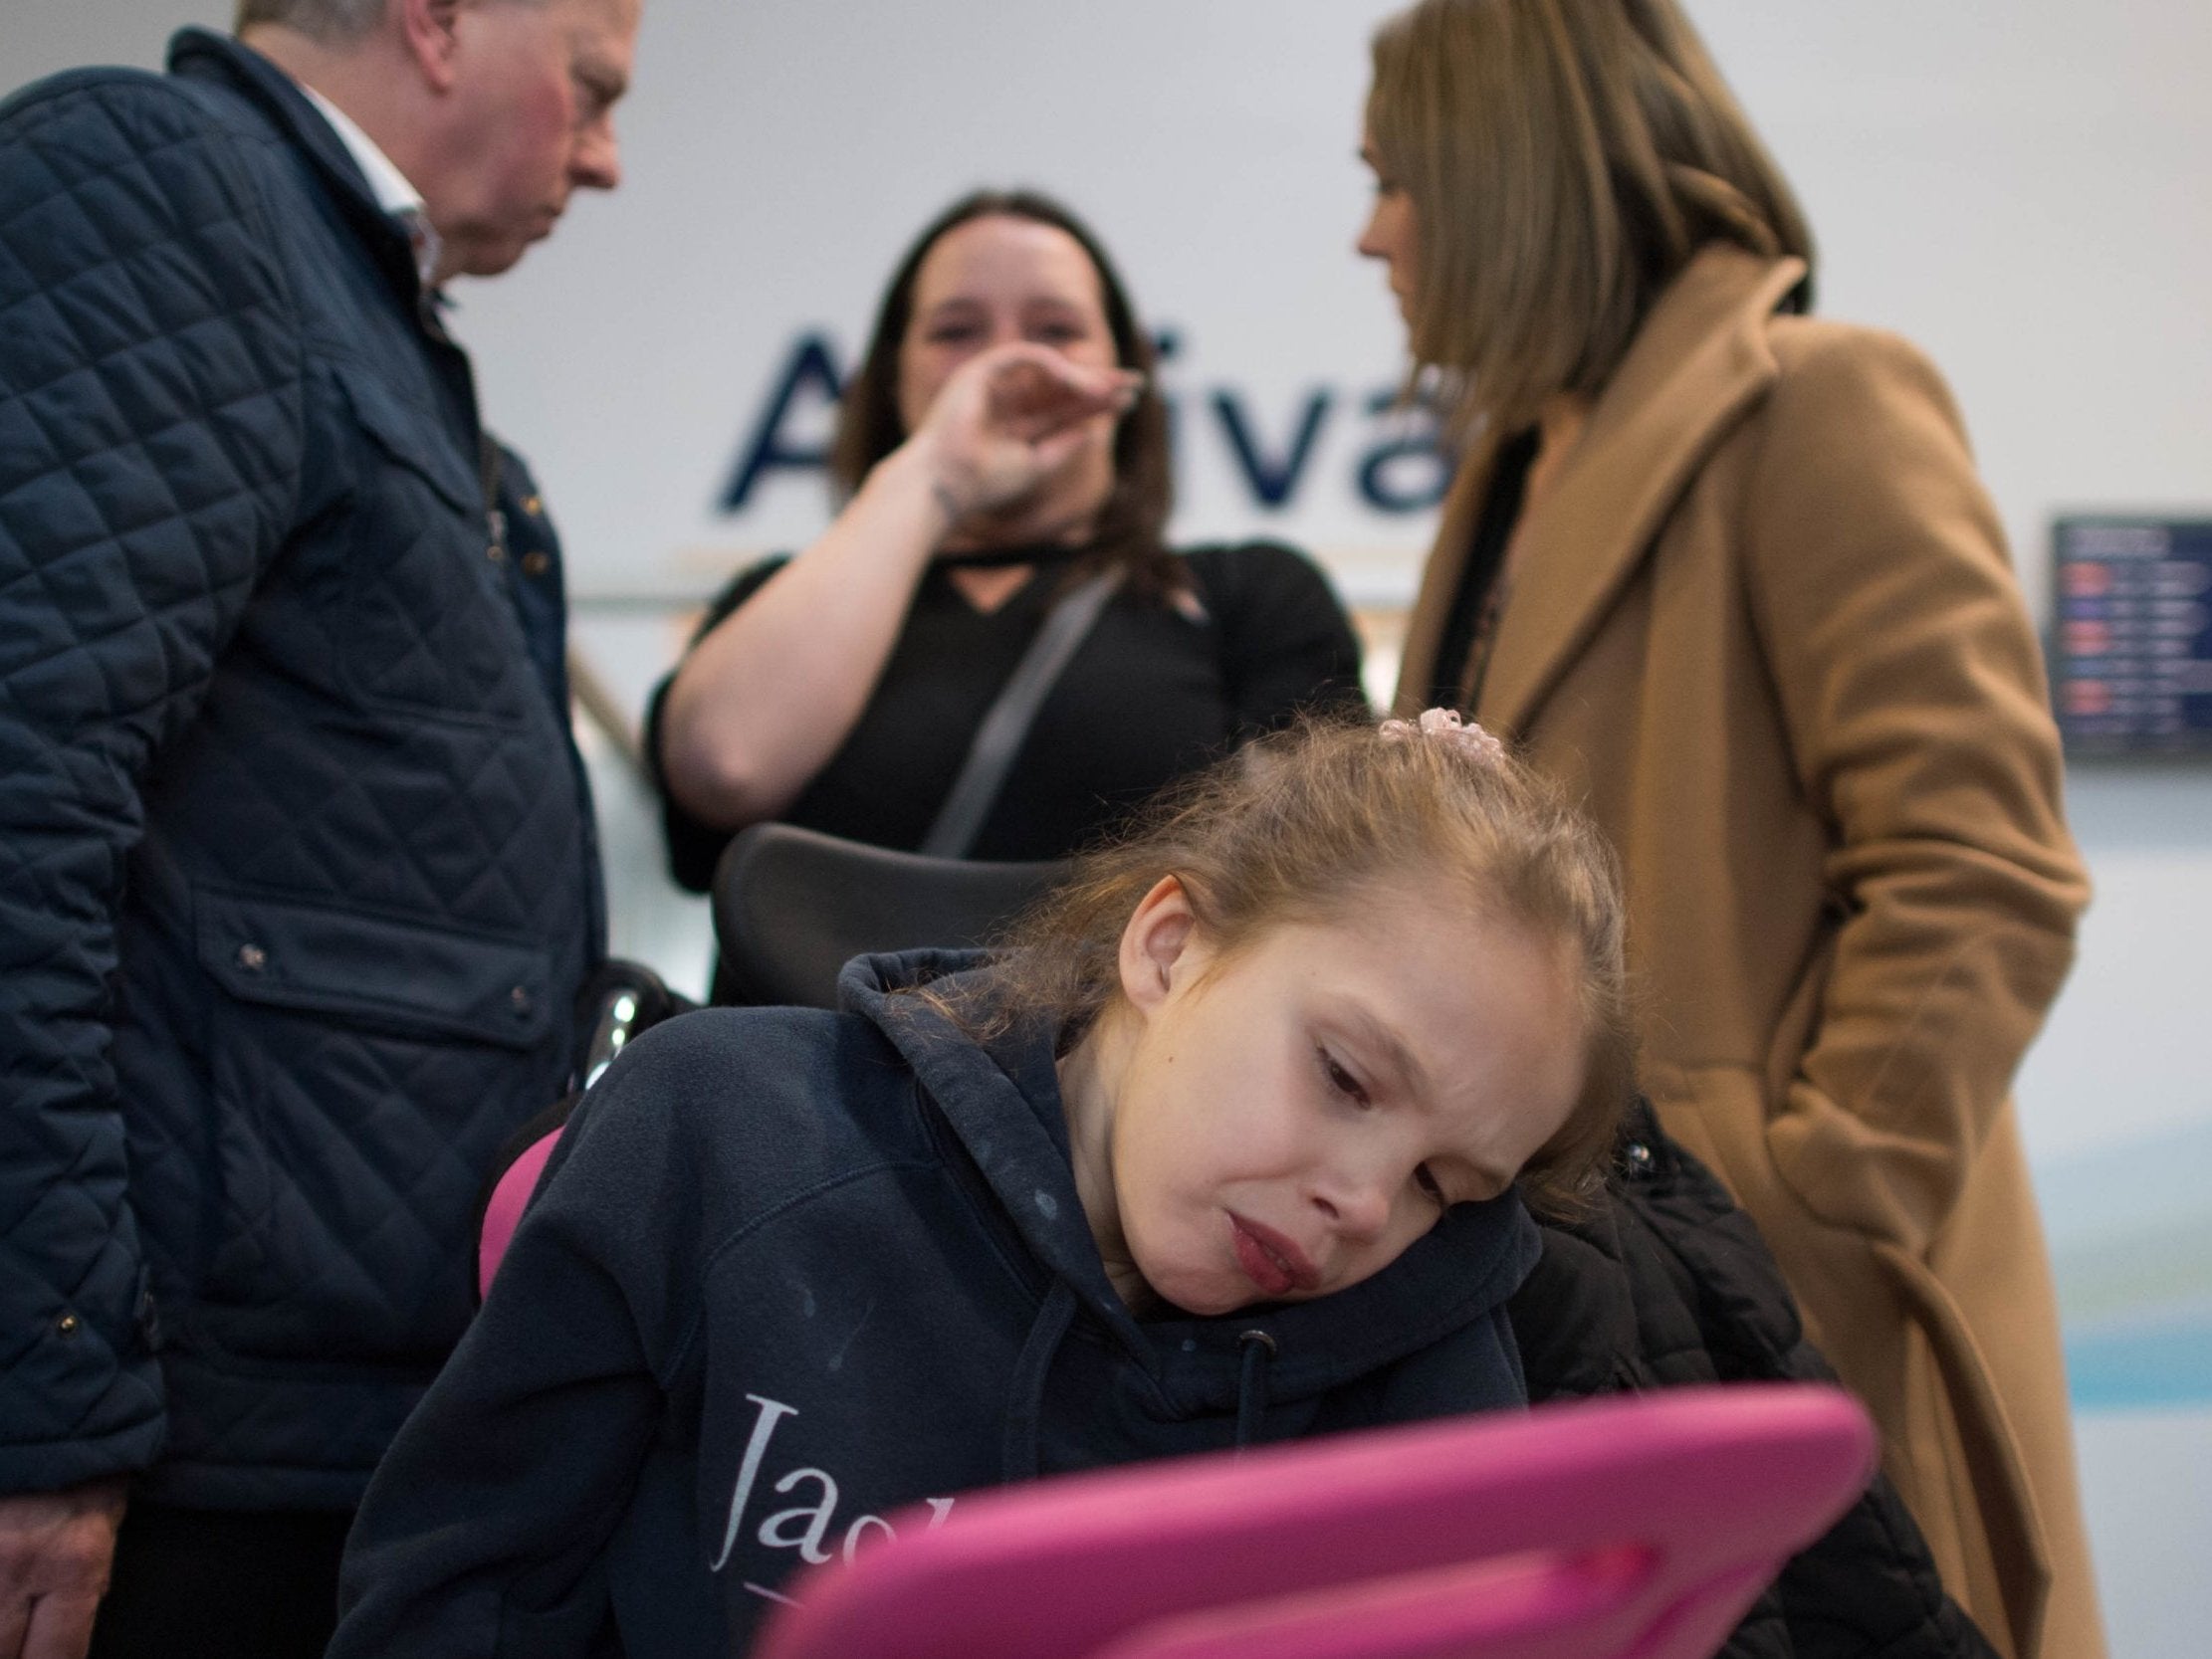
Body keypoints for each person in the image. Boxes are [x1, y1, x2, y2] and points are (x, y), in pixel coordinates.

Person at [326, 711, 1635, 1656]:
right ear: (1171, 947)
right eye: (1345, 1077)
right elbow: (457, 1596)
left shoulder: (1423, 1337)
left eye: (1441, 1183)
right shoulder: (718, 1132)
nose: (1366, 1203)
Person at [1356, 4, 2098, 1656]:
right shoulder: (1501, 473)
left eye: (1394, 179)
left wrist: (1813, 1201)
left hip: (1775, 1303)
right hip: (1574, 1296)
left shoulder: (1816, 402)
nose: (1370, 233)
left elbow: (1984, 871)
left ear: (1503, 172)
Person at [0, 1, 639, 1654]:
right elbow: (21, 785)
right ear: (436, 21)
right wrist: (42, 1389)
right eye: (590, 90)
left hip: (309, 1414)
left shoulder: (351, 302)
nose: (606, 159)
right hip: (172, 1437)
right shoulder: (169, 187)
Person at [651, 189, 1367, 892]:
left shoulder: (1251, 597)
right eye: (955, 333)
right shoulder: (775, 598)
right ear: (893, 376)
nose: (1008, 366)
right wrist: (938, 469)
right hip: (818, 1012)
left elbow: (1316, 884)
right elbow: (725, 766)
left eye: (1056, 330)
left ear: (1125, 374)